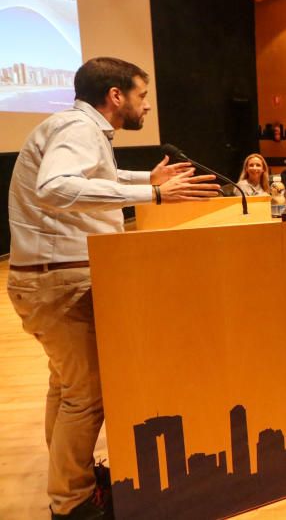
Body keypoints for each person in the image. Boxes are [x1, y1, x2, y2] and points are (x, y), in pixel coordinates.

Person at [7, 57, 219, 520]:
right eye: (142, 95)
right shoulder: (79, 129)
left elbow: (88, 181)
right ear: (116, 95)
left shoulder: (75, 129)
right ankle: (73, 503)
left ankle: (73, 479)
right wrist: (154, 196)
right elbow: (57, 186)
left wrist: (147, 178)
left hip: (47, 279)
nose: (146, 105)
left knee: (68, 390)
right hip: (58, 280)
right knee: (86, 397)